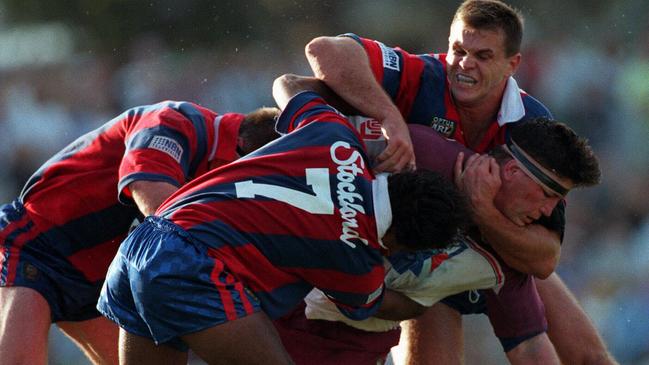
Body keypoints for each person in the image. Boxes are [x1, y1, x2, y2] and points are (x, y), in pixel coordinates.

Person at [302, 0, 617, 363]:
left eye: (483, 55)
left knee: (586, 355)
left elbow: (545, 256)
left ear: (512, 64)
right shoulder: (422, 76)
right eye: (459, 50)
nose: (466, 64)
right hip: (420, 244)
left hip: (493, 242)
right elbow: (323, 50)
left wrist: (482, 210)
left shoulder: (533, 126)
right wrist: (389, 116)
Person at [96, 90, 469, 364]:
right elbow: (382, 305)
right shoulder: (357, 261)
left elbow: (290, 82)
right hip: (191, 268)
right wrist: (434, 294)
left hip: (141, 240)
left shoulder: (337, 137)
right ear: (398, 241)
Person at [271, 76, 602, 365]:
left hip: (355, 343)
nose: (548, 212)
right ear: (513, 170)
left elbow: (529, 347)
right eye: (548, 196)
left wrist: (397, 304)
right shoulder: (411, 150)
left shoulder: (508, 253)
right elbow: (294, 87)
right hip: (283, 303)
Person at [0, 100, 280, 365]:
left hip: (98, 276)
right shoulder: (173, 121)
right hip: (35, 247)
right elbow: (155, 200)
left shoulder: (223, 165)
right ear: (243, 148)